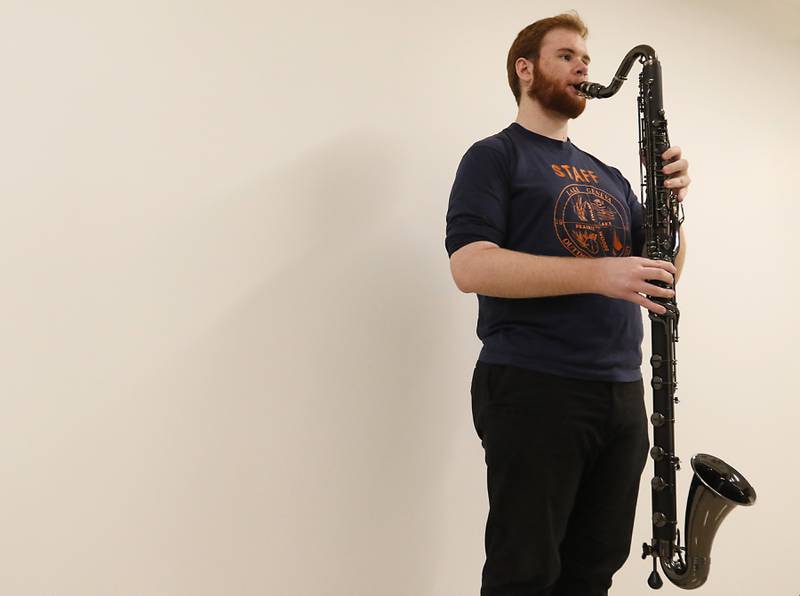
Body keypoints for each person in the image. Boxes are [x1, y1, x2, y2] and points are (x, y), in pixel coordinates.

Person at [444, 12, 691, 596]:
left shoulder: (609, 177)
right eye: (566, 56)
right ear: (524, 70)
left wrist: (673, 207)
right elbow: (469, 265)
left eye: (586, 58)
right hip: (534, 384)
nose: (583, 67)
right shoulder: (494, 157)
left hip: (620, 392)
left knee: (593, 570)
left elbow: (663, 279)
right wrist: (597, 274)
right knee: (524, 571)